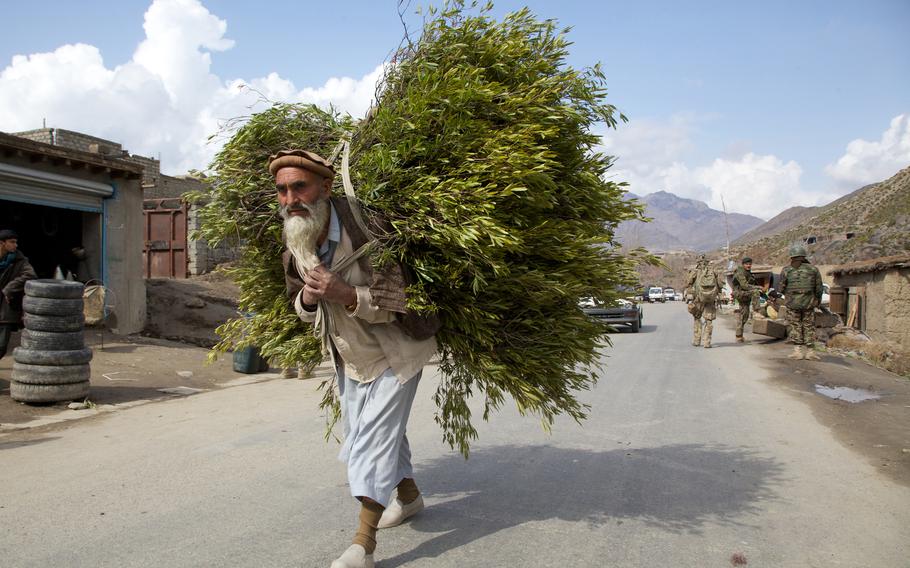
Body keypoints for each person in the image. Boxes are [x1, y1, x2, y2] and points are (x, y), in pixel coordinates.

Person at [270, 149, 439, 568]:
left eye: (300, 187)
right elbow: (298, 302)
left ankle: (362, 546)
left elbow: (404, 301)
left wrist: (346, 294)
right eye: (282, 191)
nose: (291, 199)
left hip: (397, 351)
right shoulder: (296, 242)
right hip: (352, 358)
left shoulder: (369, 230)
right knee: (379, 432)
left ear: (325, 187)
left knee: (370, 443)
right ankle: (410, 498)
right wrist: (309, 297)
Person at [779, 244, 823, 360]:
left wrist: (789, 295)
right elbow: (819, 288)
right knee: (809, 325)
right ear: (804, 256)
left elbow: (781, 288)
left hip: (792, 304)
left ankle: (797, 351)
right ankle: (810, 352)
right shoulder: (814, 269)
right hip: (809, 303)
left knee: (795, 325)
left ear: (792, 257)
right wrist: (817, 300)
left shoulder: (786, 270)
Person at [0, 230, 37, 360]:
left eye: (16, 242)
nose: (15, 245)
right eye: (12, 242)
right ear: (2, 243)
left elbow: (30, 275)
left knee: (1, 345)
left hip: (7, 307)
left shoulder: (20, 260)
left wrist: (9, 288)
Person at [685, 254, 724, 348]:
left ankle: (697, 340)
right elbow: (720, 285)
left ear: (698, 263)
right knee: (709, 320)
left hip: (698, 299)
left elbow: (688, 282)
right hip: (710, 299)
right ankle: (707, 342)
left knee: (697, 318)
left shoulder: (695, 271)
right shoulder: (713, 271)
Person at [731, 256, 764, 343]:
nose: (748, 265)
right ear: (743, 264)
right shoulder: (740, 272)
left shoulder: (749, 273)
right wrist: (758, 287)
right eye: (746, 264)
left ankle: (739, 336)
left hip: (745, 294)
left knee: (744, 315)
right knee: (755, 292)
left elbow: (753, 286)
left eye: (750, 264)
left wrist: (767, 298)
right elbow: (745, 286)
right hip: (740, 293)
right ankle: (756, 311)